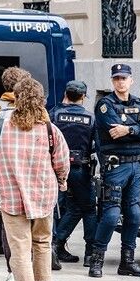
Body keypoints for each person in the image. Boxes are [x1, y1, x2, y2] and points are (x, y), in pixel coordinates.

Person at [0, 78, 69, 281]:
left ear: (15, 98)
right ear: (41, 99)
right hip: (44, 195)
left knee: (20, 247)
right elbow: (62, 162)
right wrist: (62, 181)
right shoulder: (50, 129)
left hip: (10, 195)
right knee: (42, 242)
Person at [90, 64, 140, 278]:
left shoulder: (139, 103)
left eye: (124, 78)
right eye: (117, 78)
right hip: (115, 166)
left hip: (135, 166)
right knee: (110, 215)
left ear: (131, 80)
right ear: (112, 81)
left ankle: (127, 262)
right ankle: (96, 259)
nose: (120, 81)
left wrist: (128, 129)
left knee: (134, 214)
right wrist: (137, 132)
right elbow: (113, 132)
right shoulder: (105, 104)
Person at [0, 66, 32, 281]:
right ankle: (31, 269)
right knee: (32, 223)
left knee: (8, 223)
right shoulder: (35, 108)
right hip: (30, 173)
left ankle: (13, 270)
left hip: (3, 174)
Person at [49, 80, 98, 269]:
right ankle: (90, 254)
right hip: (80, 169)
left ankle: (55, 245)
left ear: (66, 94)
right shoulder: (90, 118)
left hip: (55, 168)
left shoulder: (54, 114)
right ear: (83, 97)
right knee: (88, 209)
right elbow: (97, 145)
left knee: (59, 208)